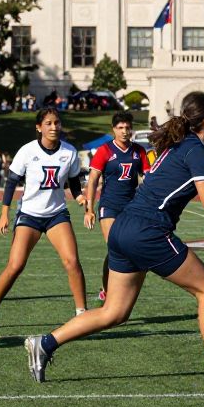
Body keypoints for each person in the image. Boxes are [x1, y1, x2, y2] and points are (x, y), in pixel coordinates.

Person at [24, 93, 204, 385]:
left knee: (114, 312)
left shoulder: (177, 144)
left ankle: (45, 343)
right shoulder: (195, 149)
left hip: (124, 227)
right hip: (148, 231)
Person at [0, 108, 87, 331]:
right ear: (39, 127)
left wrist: (80, 198)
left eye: (57, 122)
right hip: (29, 215)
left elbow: (74, 182)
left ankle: (82, 314)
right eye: (48, 123)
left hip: (57, 214)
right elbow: (11, 182)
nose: (54, 127)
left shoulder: (69, 151)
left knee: (72, 262)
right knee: (16, 265)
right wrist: (4, 214)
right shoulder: (27, 151)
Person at [82, 112, 150, 303]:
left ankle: (120, 287)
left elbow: (148, 178)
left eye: (127, 127)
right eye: (120, 128)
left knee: (130, 248)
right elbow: (93, 180)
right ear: (113, 129)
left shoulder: (139, 151)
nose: (124, 131)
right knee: (114, 248)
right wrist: (89, 209)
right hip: (109, 206)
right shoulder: (104, 150)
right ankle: (108, 290)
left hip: (131, 207)